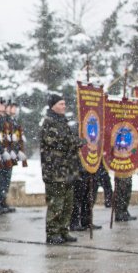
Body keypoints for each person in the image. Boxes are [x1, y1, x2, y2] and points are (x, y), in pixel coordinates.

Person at [39, 93, 86, 244]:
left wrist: (75, 141)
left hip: (67, 170)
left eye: (64, 104)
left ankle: (63, 230)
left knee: (67, 203)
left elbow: (67, 140)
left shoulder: (62, 121)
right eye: (61, 104)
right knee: (56, 203)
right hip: (55, 170)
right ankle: (52, 232)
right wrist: (76, 142)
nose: (64, 106)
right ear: (53, 106)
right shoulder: (49, 122)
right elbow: (57, 142)